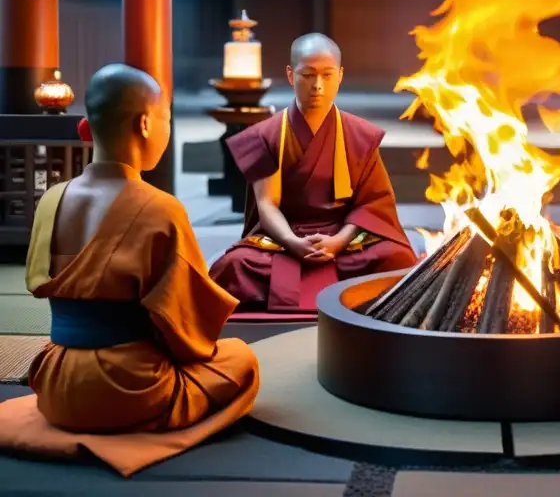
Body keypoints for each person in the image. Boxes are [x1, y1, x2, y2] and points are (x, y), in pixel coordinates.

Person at [0, 64, 259, 474]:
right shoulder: (161, 208)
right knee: (240, 360)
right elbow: (189, 331)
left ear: (86, 129)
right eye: (166, 120)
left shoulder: (50, 201)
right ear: (144, 123)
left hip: (55, 383)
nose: (167, 129)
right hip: (130, 389)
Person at [209, 33, 417, 312]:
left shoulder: (358, 135)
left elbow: (371, 205)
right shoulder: (266, 135)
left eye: (327, 75)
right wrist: (294, 243)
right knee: (232, 266)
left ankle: (304, 287)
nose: (317, 85)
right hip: (283, 238)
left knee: (398, 258)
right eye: (307, 74)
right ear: (290, 73)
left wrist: (338, 242)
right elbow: (267, 205)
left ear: (340, 75)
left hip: (342, 238)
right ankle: (348, 295)